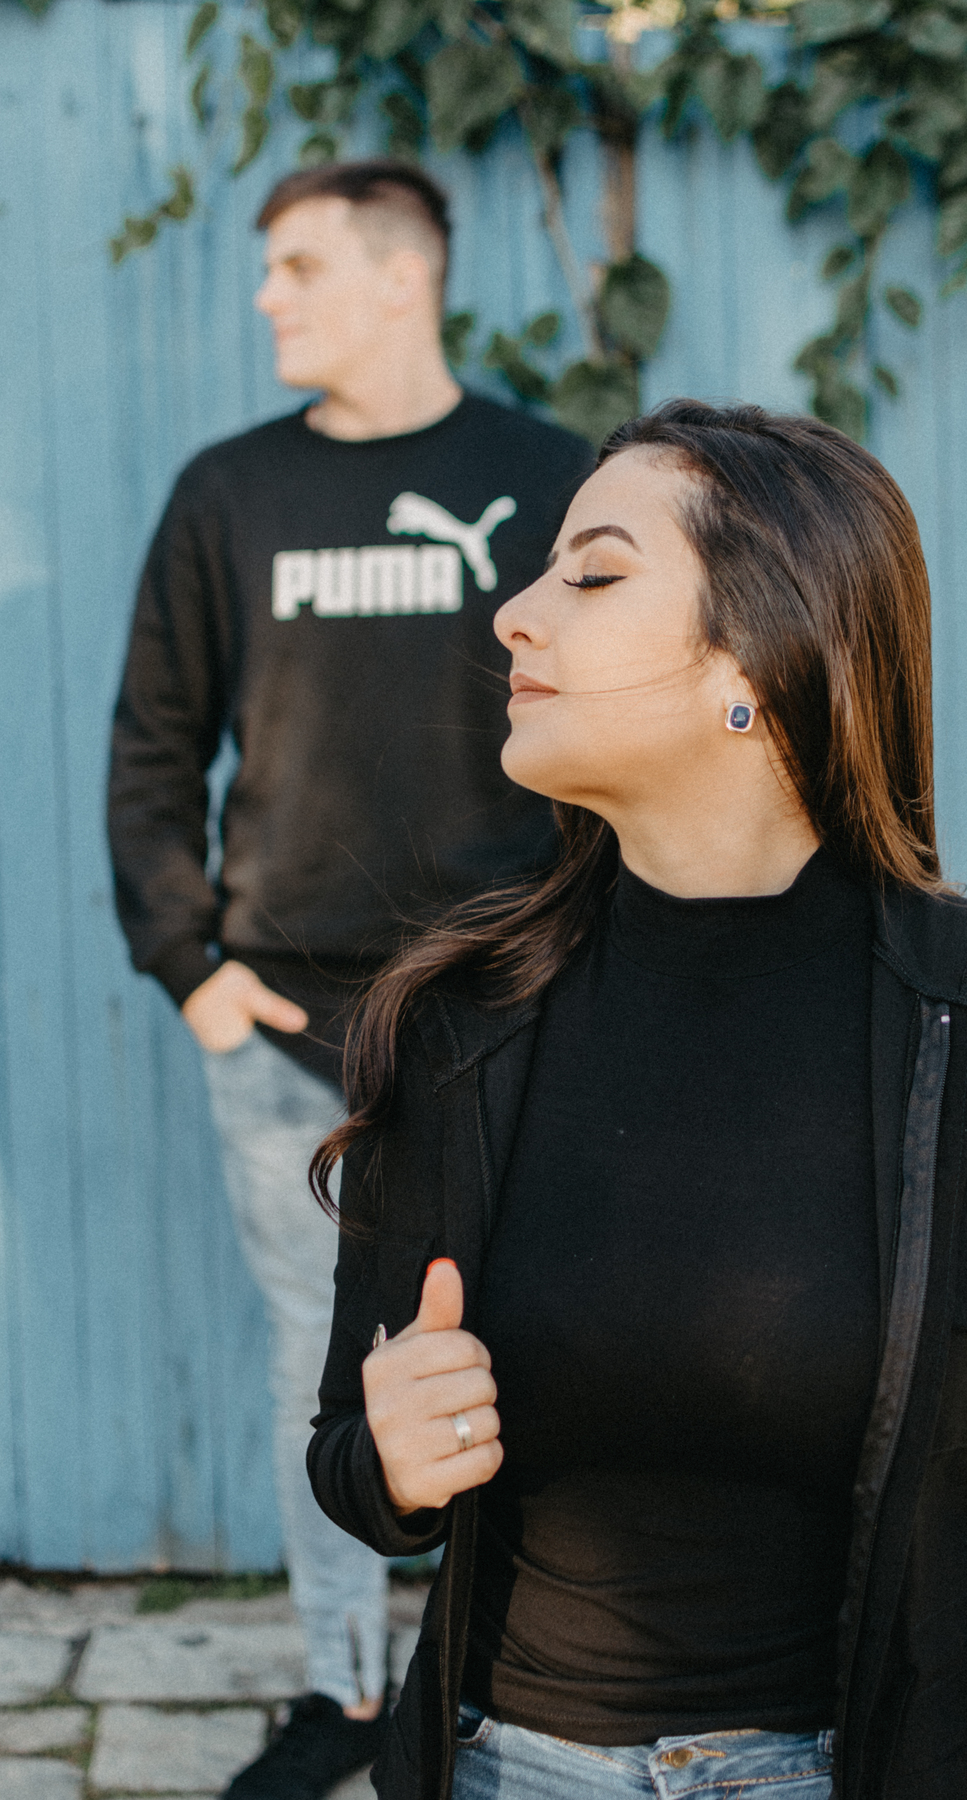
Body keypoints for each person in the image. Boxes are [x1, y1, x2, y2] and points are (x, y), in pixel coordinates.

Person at [307, 399, 967, 1800]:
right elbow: (350, 1465)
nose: (514, 617)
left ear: (759, 662)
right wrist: (396, 1463)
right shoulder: (458, 1022)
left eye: (593, 575)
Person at [106, 159, 593, 1799]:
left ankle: (509, 1678)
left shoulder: (544, 479)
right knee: (309, 1363)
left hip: (508, 1001)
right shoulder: (227, 493)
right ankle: (342, 1691)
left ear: (404, 276)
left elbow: (613, 722)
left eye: (300, 266)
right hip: (285, 1022)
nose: (267, 297)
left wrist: (584, 956)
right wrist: (187, 965)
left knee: (527, 1337)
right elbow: (153, 742)